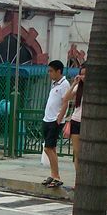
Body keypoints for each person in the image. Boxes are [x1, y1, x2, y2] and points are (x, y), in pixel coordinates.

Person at [41, 59, 70, 188]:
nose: (50, 73)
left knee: (48, 148)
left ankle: (57, 176)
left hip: (55, 120)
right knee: (51, 148)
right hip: (47, 119)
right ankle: (53, 175)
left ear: (59, 71)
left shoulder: (65, 84)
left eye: (51, 71)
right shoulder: (54, 84)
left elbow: (65, 102)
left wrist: (60, 117)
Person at [59, 64, 86, 186]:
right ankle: (78, 180)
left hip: (88, 122)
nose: (83, 76)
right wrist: (75, 83)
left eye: (85, 74)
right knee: (77, 152)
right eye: (82, 74)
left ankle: (85, 178)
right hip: (76, 120)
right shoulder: (78, 87)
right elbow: (66, 98)